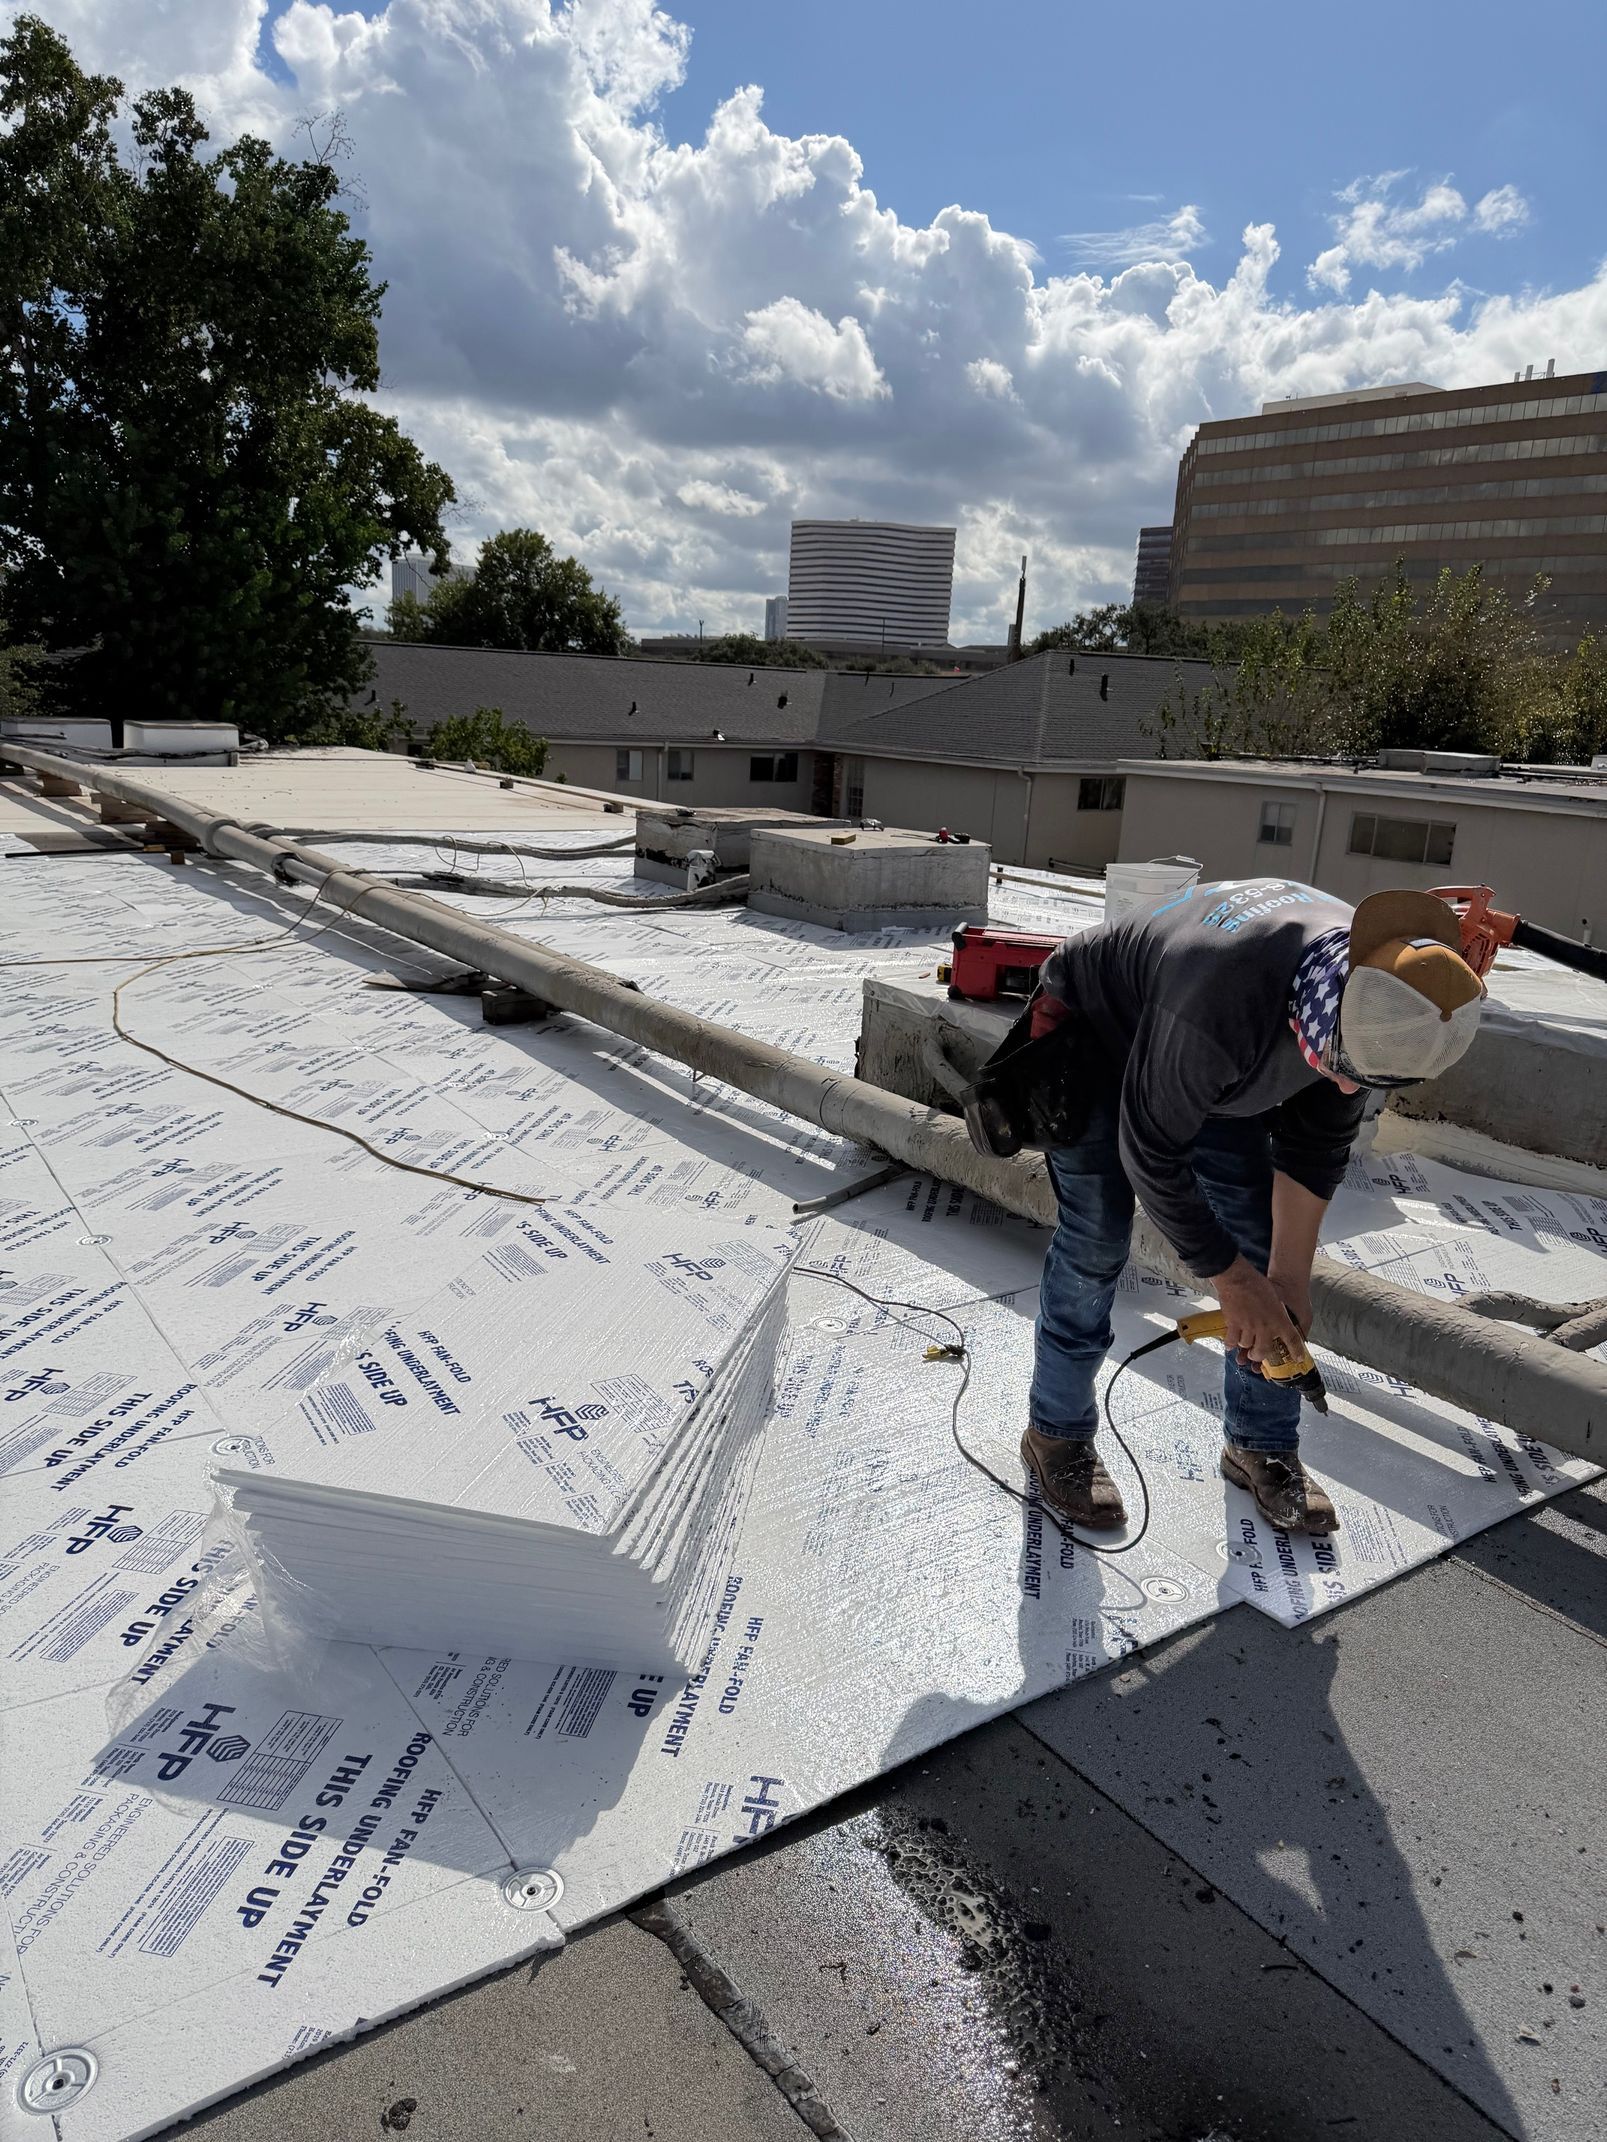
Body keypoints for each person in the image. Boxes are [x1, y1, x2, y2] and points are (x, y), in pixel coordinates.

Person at [1021, 879, 1486, 1536]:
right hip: (1102, 1029)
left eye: (1363, 1078)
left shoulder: (1377, 999)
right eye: (1340, 1065)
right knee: (1095, 1237)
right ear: (1323, 1012)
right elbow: (1150, 1152)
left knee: (1262, 1245)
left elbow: (1315, 1146)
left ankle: (1259, 1443)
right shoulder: (1220, 1006)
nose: (1347, 1085)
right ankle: (1055, 1434)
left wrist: (1285, 1280)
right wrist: (1233, 1284)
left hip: (1210, 1046)